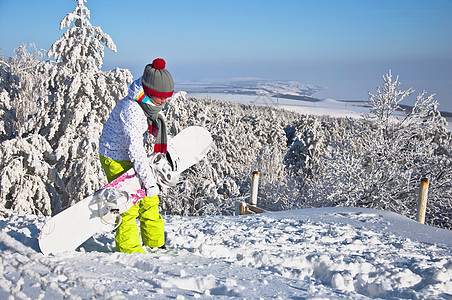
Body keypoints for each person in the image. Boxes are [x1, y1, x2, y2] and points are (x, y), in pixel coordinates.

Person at [98, 58, 174, 253]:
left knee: (150, 200)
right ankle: (129, 251)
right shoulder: (132, 110)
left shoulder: (148, 106)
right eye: (161, 97)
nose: (164, 101)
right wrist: (148, 181)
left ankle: (156, 244)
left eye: (167, 97)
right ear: (149, 92)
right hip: (115, 157)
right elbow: (136, 150)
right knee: (127, 205)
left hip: (133, 158)